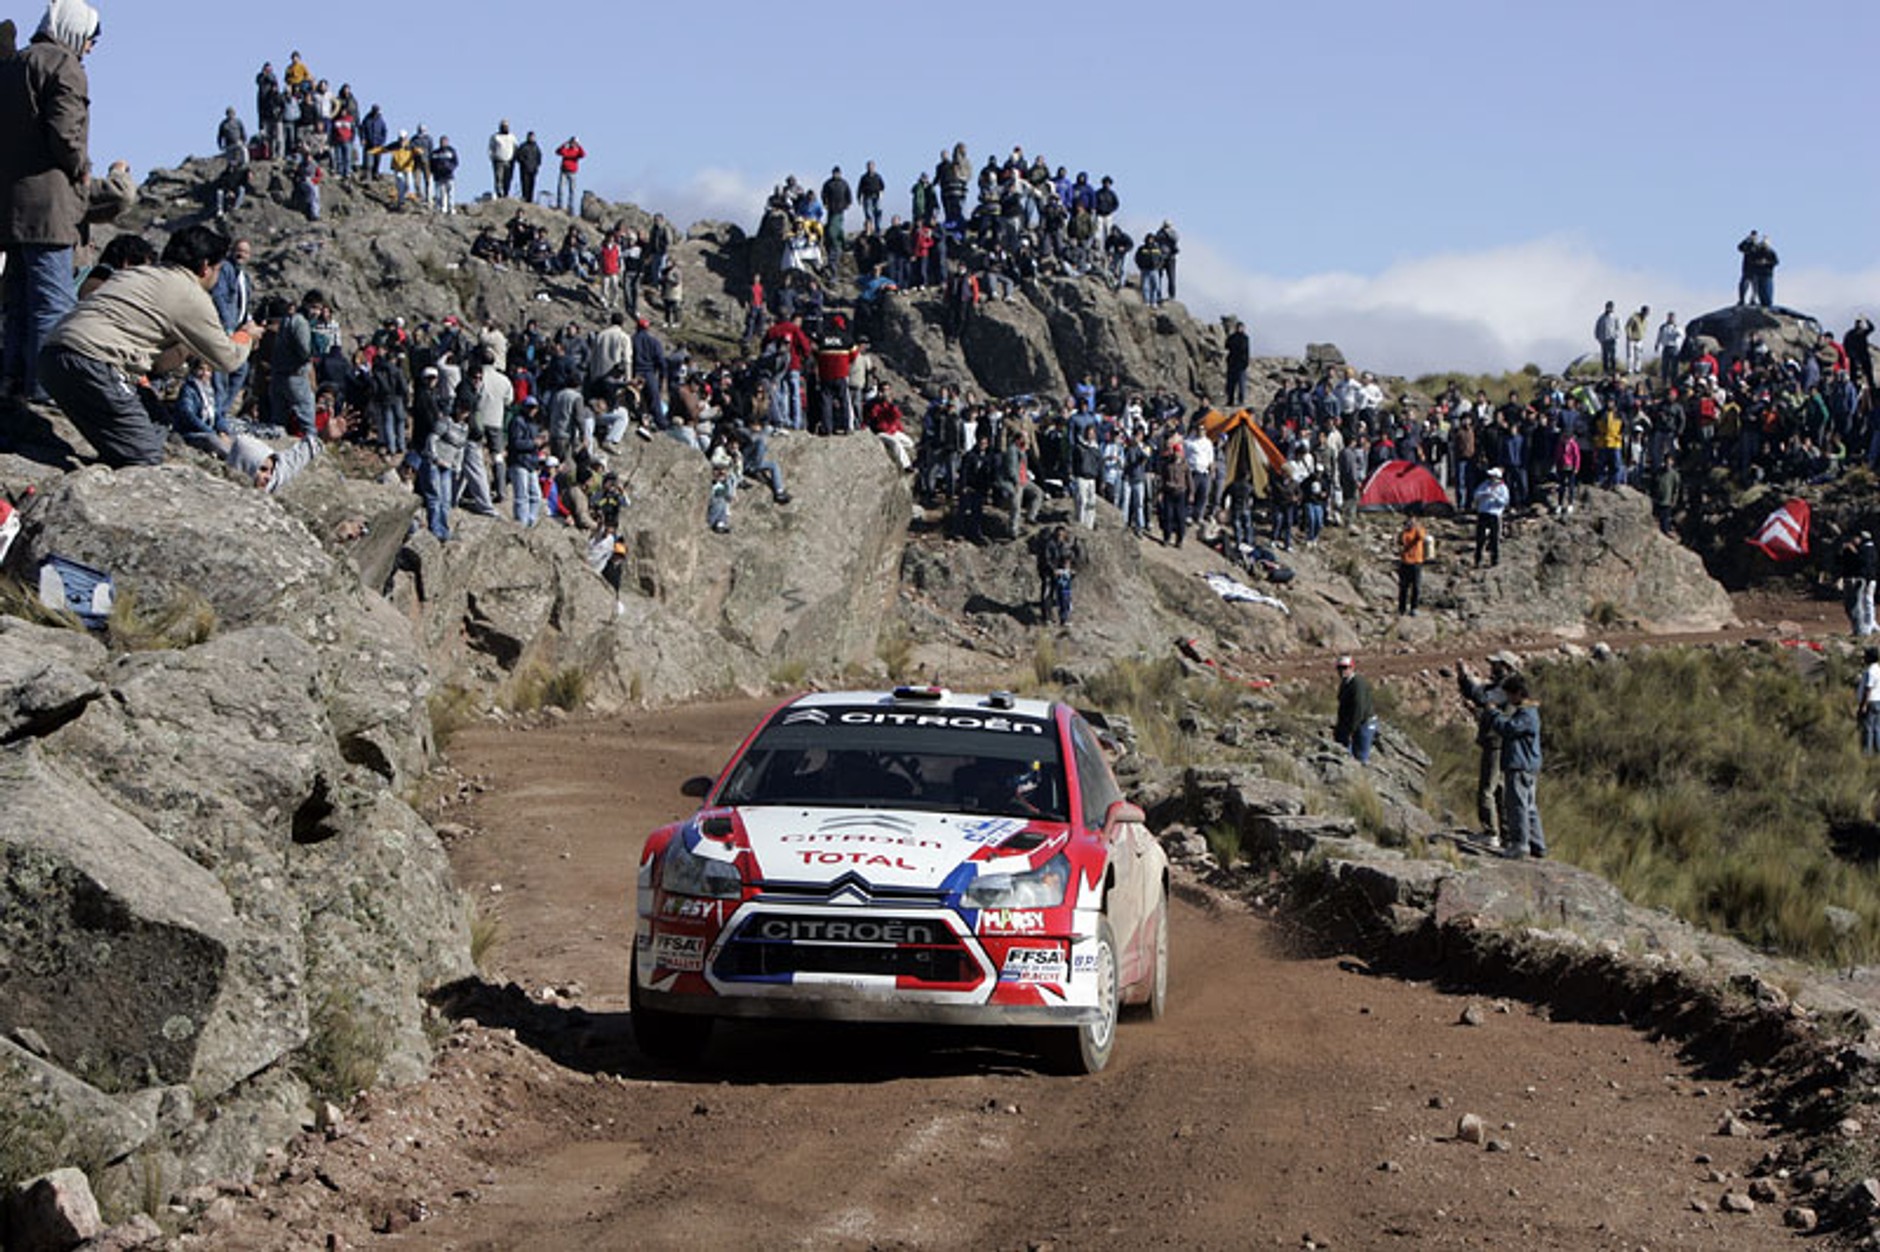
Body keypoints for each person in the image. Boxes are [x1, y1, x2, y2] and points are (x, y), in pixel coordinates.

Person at [38, 223, 260, 467]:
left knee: (156, 418)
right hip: (93, 364)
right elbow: (227, 359)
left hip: (52, 356)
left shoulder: (137, 274)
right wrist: (246, 335)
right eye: (218, 269)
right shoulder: (191, 294)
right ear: (206, 267)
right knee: (144, 458)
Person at [0, 0, 104, 407]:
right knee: (53, 300)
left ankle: (12, 382)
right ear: (75, 30)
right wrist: (80, 165)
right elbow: (65, 132)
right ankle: (47, 389)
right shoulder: (64, 65)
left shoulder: (14, 65)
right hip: (49, 206)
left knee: (19, 302)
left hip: (11, 204)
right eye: (91, 39)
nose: (91, 48)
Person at [1458, 652, 1519, 849]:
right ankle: (1505, 834)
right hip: (1501, 742)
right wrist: (1464, 679)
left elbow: (1482, 698)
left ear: (1506, 667)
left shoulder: (1506, 688)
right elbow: (1480, 698)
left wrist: (1465, 677)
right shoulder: (1505, 687)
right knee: (1499, 789)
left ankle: (1491, 832)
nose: (1492, 668)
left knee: (1487, 788)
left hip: (1496, 742)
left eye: (1496, 665)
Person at [1487, 673, 1544, 858]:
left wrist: (1493, 712)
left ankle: (1520, 845)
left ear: (1519, 693)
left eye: (1511, 695)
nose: (1509, 699)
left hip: (1520, 765)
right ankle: (1537, 845)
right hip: (1527, 765)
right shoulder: (1529, 712)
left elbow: (1508, 729)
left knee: (1518, 806)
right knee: (1529, 807)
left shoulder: (1526, 715)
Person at [1332, 655, 1377, 764]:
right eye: (1340, 668)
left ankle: (1362, 778)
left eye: (1345, 667)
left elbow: (1359, 708)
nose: (1342, 671)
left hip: (1364, 723)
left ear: (1352, 668)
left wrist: (1351, 729)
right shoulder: (1345, 683)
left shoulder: (1357, 683)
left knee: (1361, 756)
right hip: (1353, 723)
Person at [1472, 467, 1509, 567]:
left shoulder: (1503, 488)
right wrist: (1484, 495)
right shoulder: (1484, 485)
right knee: (1480, 538)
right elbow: (1475, 495)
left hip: (1494, 514)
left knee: (1494, 538)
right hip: (1483, 513)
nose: (1491, 478)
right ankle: (1478, 559)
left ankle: (1494, 560)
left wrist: (1495, 497)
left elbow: (1505, 502)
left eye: (1493, 476)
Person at [1396, 513, 1428, 616]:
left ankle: (1414, 607)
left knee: (1416, 587)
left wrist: (1417, 526)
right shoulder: (1405, 532)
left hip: (1417, 562)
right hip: (1405, 561)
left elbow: (1421, 537)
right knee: (1403, 587)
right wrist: (1403, 531)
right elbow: (1401, 542)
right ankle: (1401, 608)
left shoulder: (1419, 530)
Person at [554, 135, 585, 212]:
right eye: (572, 142)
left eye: (574, 142)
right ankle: (560, 206)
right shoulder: (566, 150)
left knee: (572, 191)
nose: (573, 144)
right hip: (564, 171)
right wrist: (565, 144)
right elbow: (558, 151)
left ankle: (571, 208)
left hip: (573, 172)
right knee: (560, 189)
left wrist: (579, 146)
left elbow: (583, 154)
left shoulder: (577, 151)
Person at [1859, 647, 1880, 757]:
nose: (1864, 657)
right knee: (1877, 727)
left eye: (1866, 656)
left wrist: (1864, 705)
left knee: (1868, 728)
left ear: (1870, 658)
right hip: (1878, 701)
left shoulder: (1871, 671)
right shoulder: (1878, 669)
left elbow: (1868, 689)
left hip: (1871, 702)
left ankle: (1868, 753)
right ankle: (1877, 751)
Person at [1224, 319, 1250, 405]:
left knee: (1241, 384)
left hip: (1241, 364)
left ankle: (1241, 401)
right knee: (1231, 384)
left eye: (1241, 327)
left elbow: (1246, 351)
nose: (1240, 329)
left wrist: (1246, 363)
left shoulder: (1245, 338)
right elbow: (1226, 346)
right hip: (1232, 363)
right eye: (1239, 327)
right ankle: (1230, 400)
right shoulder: (1232, 337)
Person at [488, 119, 515, 198]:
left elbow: (515, 148)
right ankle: (499, 194)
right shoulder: (495, 137)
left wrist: (514, 158)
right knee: (499, 178)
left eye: (506, 126)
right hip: (498, 161)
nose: (505, 128)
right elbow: (490, 149)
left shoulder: (512, 137)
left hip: (509, 161)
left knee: (508, 179)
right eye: (503, 126)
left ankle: (506, 193)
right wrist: (492, 158)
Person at [515, 130, 542, 204]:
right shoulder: (523, 146)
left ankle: (530, 199)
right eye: (530, 137)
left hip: (533, 169)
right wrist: (523, 163)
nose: (531, 138)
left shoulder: (536, 147)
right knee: (524, 184)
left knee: (532, 185)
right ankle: (525, 198)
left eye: (533, 137)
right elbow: (518, 156)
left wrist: (537, 166)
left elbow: (539, 158)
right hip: (524, 169)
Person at [1594, 301, 1620, 374]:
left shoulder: (1615, 317)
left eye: (1610, 307)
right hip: (1604, 339)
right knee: (1605, 356)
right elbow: (1597, 328)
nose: (1609, 309)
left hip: (1612, 339)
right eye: (1608, 307)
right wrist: (1598, 337)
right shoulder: (1601, 318)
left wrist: (1616, 336)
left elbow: (1619, 328)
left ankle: (1613, 370)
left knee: (1612, 355)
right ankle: (1606, 370)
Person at [1624, 305, 1650, 374]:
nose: (1646, 314)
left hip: (1640, 340)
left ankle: (1637, 369)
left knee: (1638, 356)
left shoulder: (1645, 321)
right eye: (1646, 312)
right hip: (1631, 340)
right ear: (1642, 311)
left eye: (1647, 313)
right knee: (1630, 355)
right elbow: (1628, 326)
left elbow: (1644, 330)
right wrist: (1629, 335)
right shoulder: (1634, 318)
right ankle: (1630, 370)